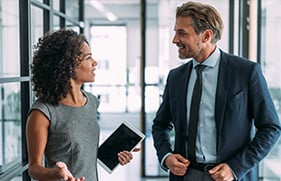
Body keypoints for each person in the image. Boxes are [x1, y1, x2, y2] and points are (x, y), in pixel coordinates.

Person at [151, 1, 281, 181]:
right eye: (175, 32)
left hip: (230, 176)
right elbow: (160, 125)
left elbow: (271, 128)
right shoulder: (176, 77)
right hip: (185, 176)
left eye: (181, 33)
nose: (175, 40)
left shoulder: (245, 72)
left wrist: (236, 167)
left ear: (206, 36)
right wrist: (166, 156)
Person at [26, 29, 139, 181]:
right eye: (88, 58)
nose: (95, 63)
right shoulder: (42, 112)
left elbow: (86, 154)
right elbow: (34, 168)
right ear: (68, 65)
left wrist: (116, 154)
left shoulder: (92, 102)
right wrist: (57, 174)